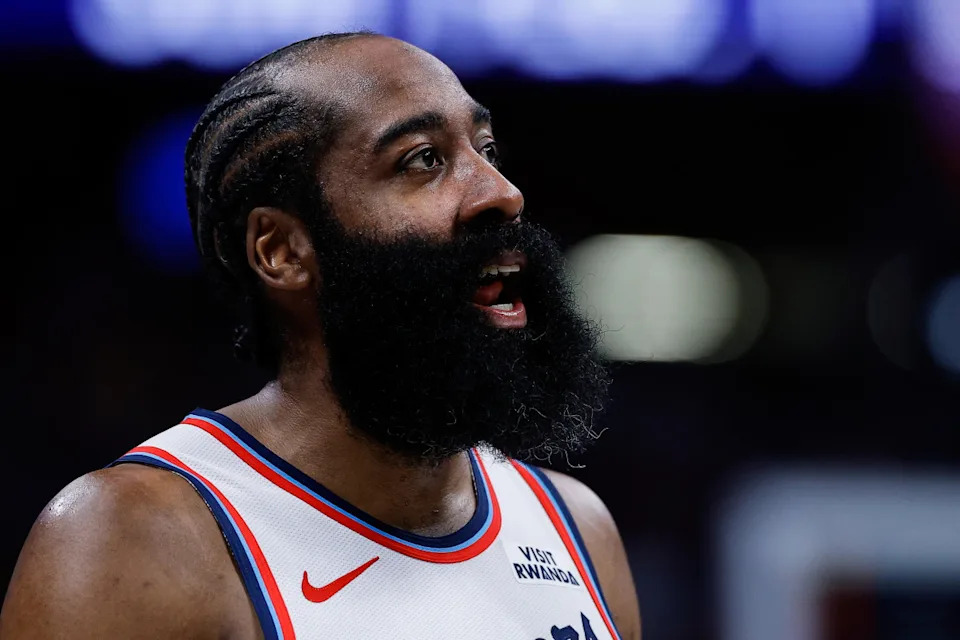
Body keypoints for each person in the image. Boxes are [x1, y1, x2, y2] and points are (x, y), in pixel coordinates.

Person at [0, 32, 640, 640]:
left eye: (487, 150)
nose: (502, 193)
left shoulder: (577, 528)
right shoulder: (134, 537)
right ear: (281, 251)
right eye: (422, 159)